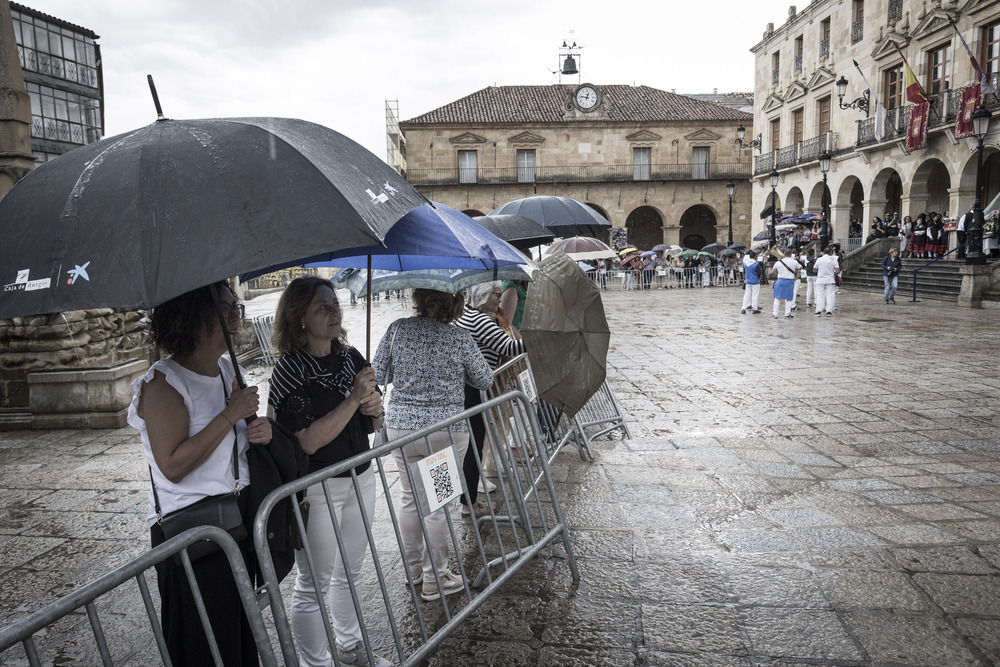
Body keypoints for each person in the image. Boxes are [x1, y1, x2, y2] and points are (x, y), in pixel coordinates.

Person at [128, 282, 271, 667]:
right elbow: (172, 466)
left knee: (237, 637)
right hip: (192, 535)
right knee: (204, 644)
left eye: (234, 308)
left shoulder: (227, 370)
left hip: (232, 524)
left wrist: (259, 429)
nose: (233, 318)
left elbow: (234, 445)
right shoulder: (163, 383)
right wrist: (229, 415)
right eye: (222, 309)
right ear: (191, 318)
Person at [267, 277, 391, 667]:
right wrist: (355, 398)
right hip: (317, 486)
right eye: (323, 306)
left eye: (335, 303)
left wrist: (374, 409)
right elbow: (308, 441)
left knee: (350, 572)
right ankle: (315, 663)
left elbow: (372, 422)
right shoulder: (290, 370)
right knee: (314, 584)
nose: (335, 311)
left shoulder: (350, 356)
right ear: (299, 317)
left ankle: (351, 649)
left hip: (360, 474)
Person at [373, 289, 493, 602]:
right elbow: (484, 379)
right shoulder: (459, 338)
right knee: (439, 505)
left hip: (402, 429)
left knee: (411, 499)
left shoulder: (397, 329)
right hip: (443, 433)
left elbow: (378, 373)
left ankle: (414, 571)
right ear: (454, 305)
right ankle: (436, 577)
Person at [455, 282, 525, 517]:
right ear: (484, 296)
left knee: (469, 446)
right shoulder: (481, 321)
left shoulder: (468, 315)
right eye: (496, 295)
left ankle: (464, 501)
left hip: (466, 389)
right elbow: (511, 347)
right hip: (473, 390)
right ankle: (469, 504)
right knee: (473, 446)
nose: (499, 299)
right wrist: (540, 339)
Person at [771, 248, 802, 319]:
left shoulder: (778, 262)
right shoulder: (794, 262)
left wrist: (779, 274)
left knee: (777, 298)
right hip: (789, 281)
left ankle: (775, 314)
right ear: (791, 254)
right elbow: (800, 267)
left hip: (780, 280)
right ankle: (787, 314)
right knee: (788, 299)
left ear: (784, 254)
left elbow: (773, 272)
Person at [813, 246, 841, 317]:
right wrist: (832, 273)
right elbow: (838, 271)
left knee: (820, 295)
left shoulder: (819, 259)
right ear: (831, 253)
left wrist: (820, 271)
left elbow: (814, 269)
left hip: (820, 279)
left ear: (824, 253)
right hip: (830, 279)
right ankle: (829, 311)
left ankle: (819, 310)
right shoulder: (834, 260)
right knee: (830, 295)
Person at [741, 250, 762, 314]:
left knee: (746, 295)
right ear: (755, 256)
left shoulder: (745, 264)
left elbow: (744, 272)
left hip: (748, 281)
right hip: (755, 281)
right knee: (755, 295)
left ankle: (743, 308)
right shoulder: (756, 264)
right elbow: (759, 273)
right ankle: (755, 308)